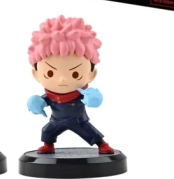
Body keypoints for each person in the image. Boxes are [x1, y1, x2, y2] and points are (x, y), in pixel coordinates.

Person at [27, 16, 115, 155]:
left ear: (91, 74)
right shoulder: (50, 96)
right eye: (50, 73)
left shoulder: (81, 94)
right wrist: (37, 103)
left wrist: (92, 98)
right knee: (47, 131)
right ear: (36, 74)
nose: (62, 80)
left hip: (78, 120)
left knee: (90, 132)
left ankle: (102, 144)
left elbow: (94, 100)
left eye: (75, 74)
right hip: (56, 121)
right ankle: (48, 145)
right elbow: (44, 101)